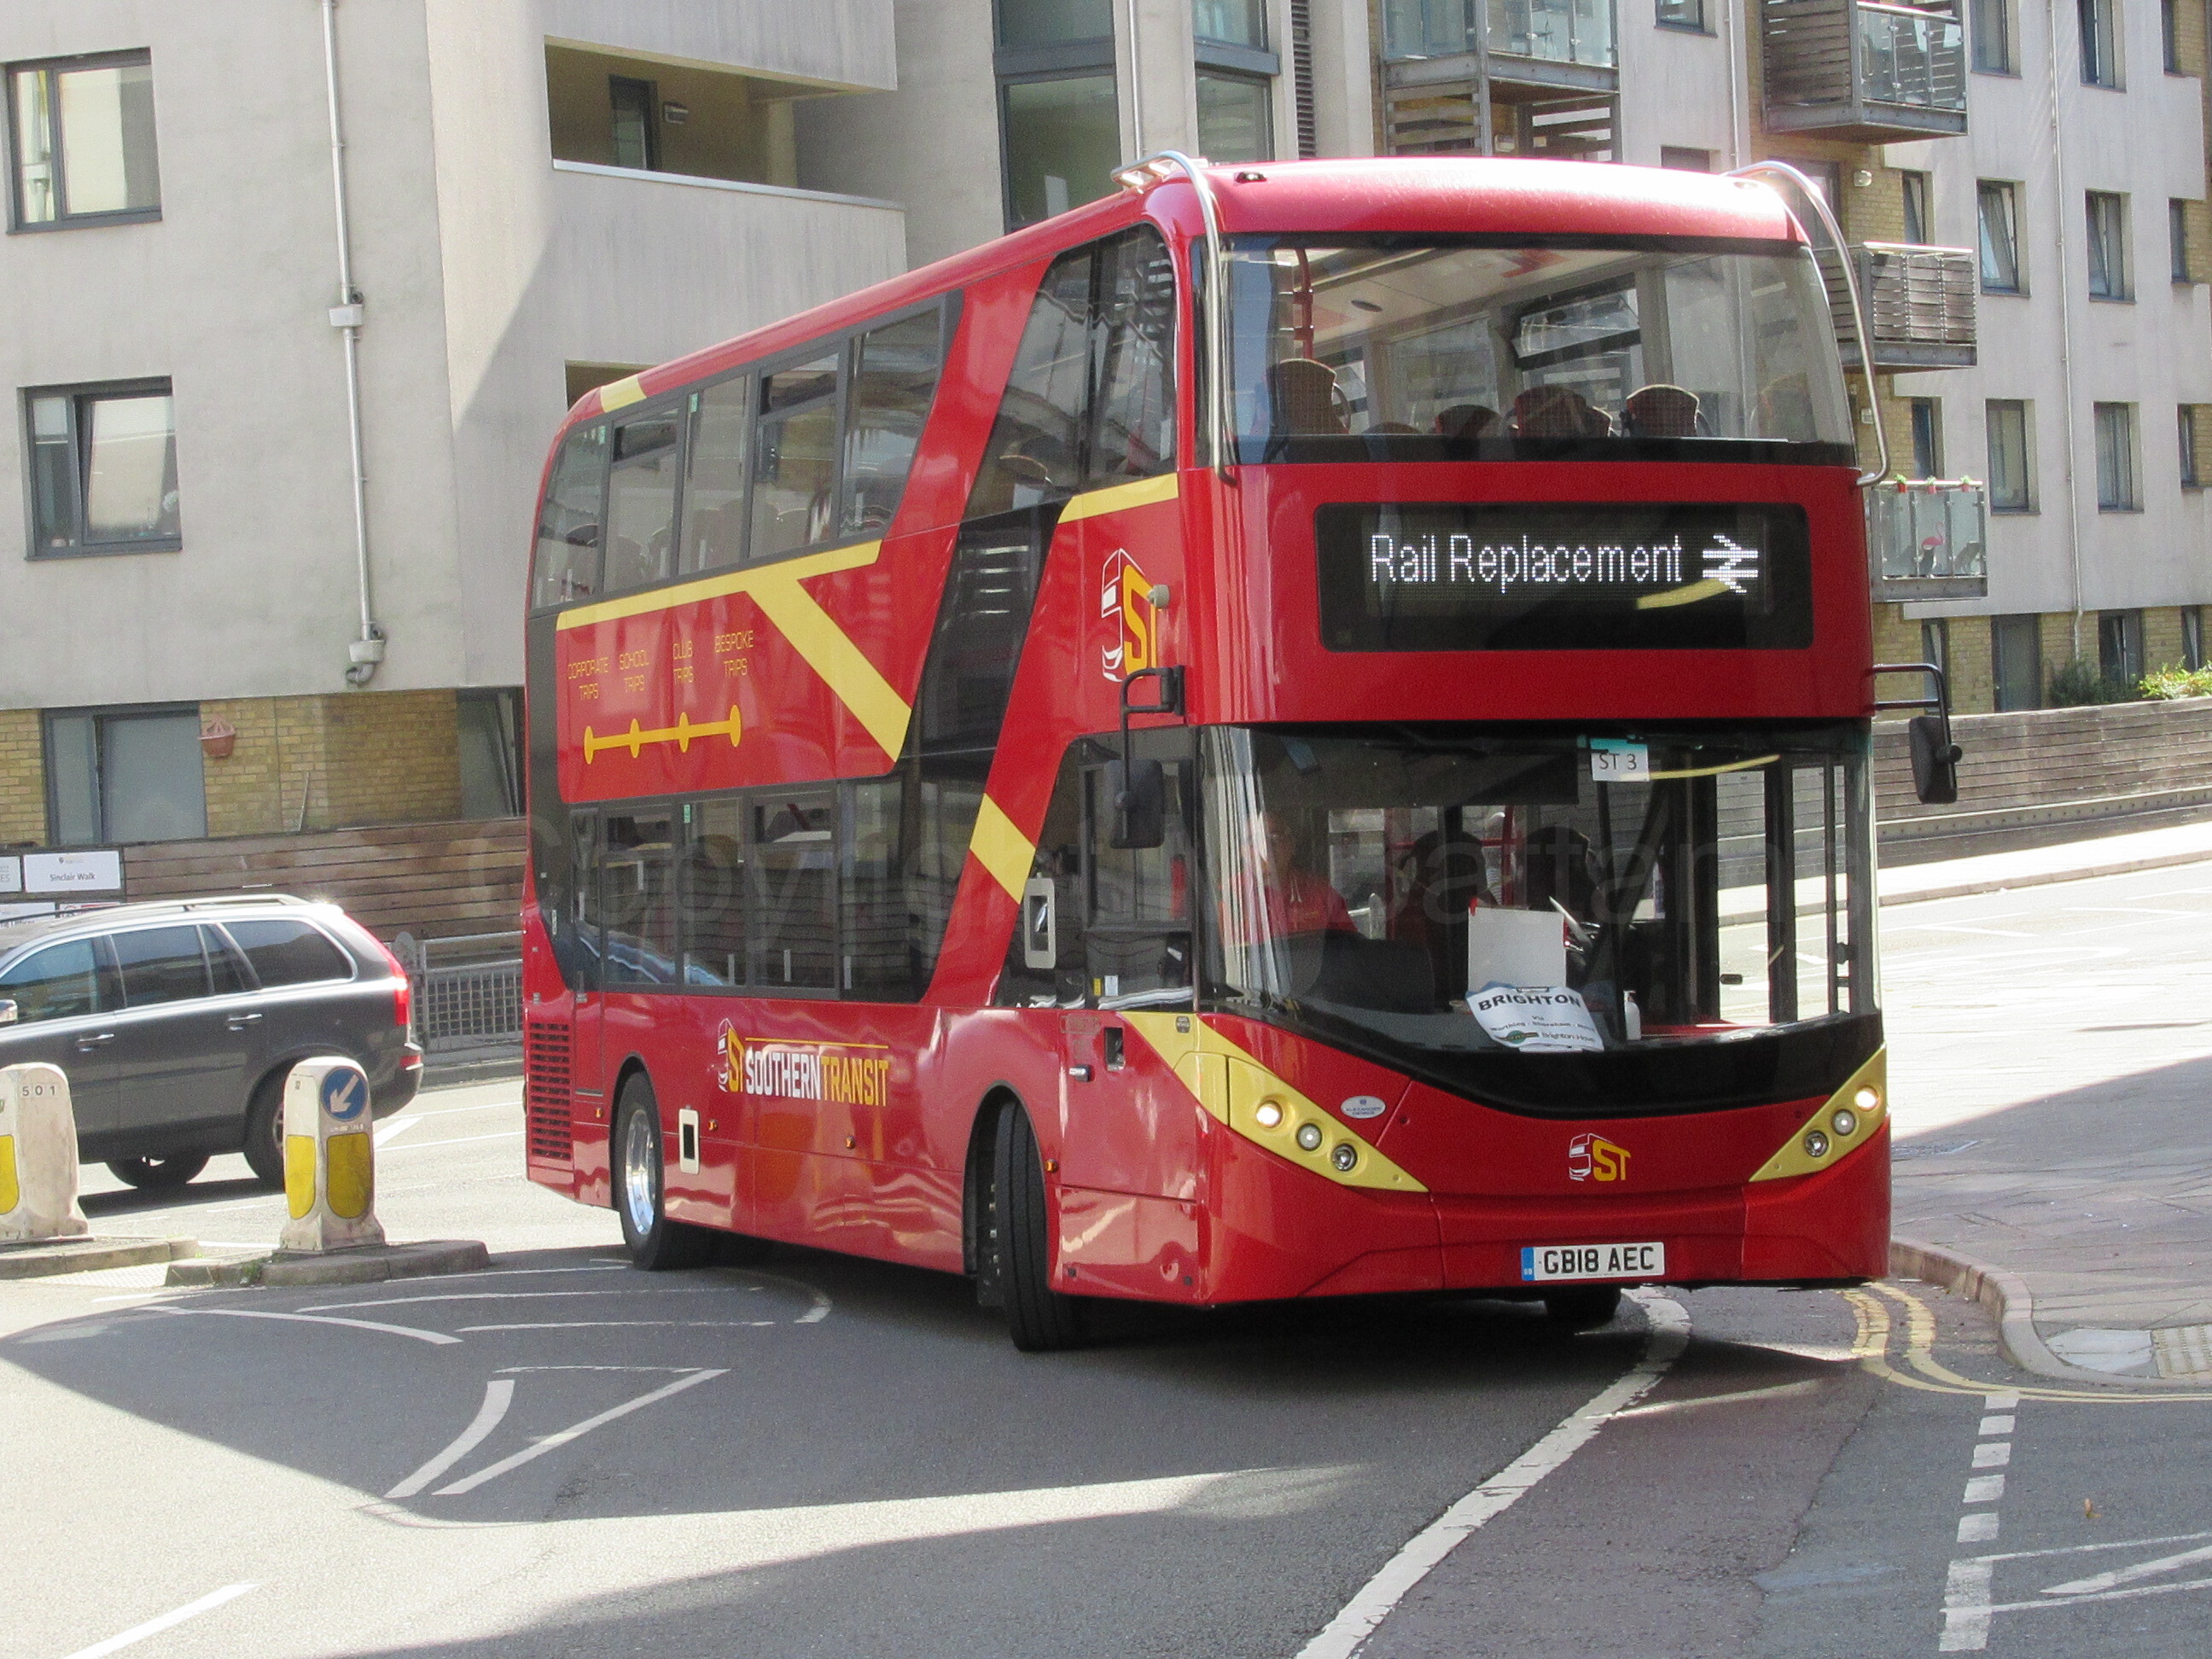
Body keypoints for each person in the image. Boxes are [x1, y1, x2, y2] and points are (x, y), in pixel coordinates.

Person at [1259, 811, 1354, 934]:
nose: (1265, 847)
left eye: (1274, 837)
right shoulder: (1231, 896)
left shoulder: (1321, 893)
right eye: (1254, 840)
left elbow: (1350, 945)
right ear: (1241, 850)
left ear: (1291, 844)